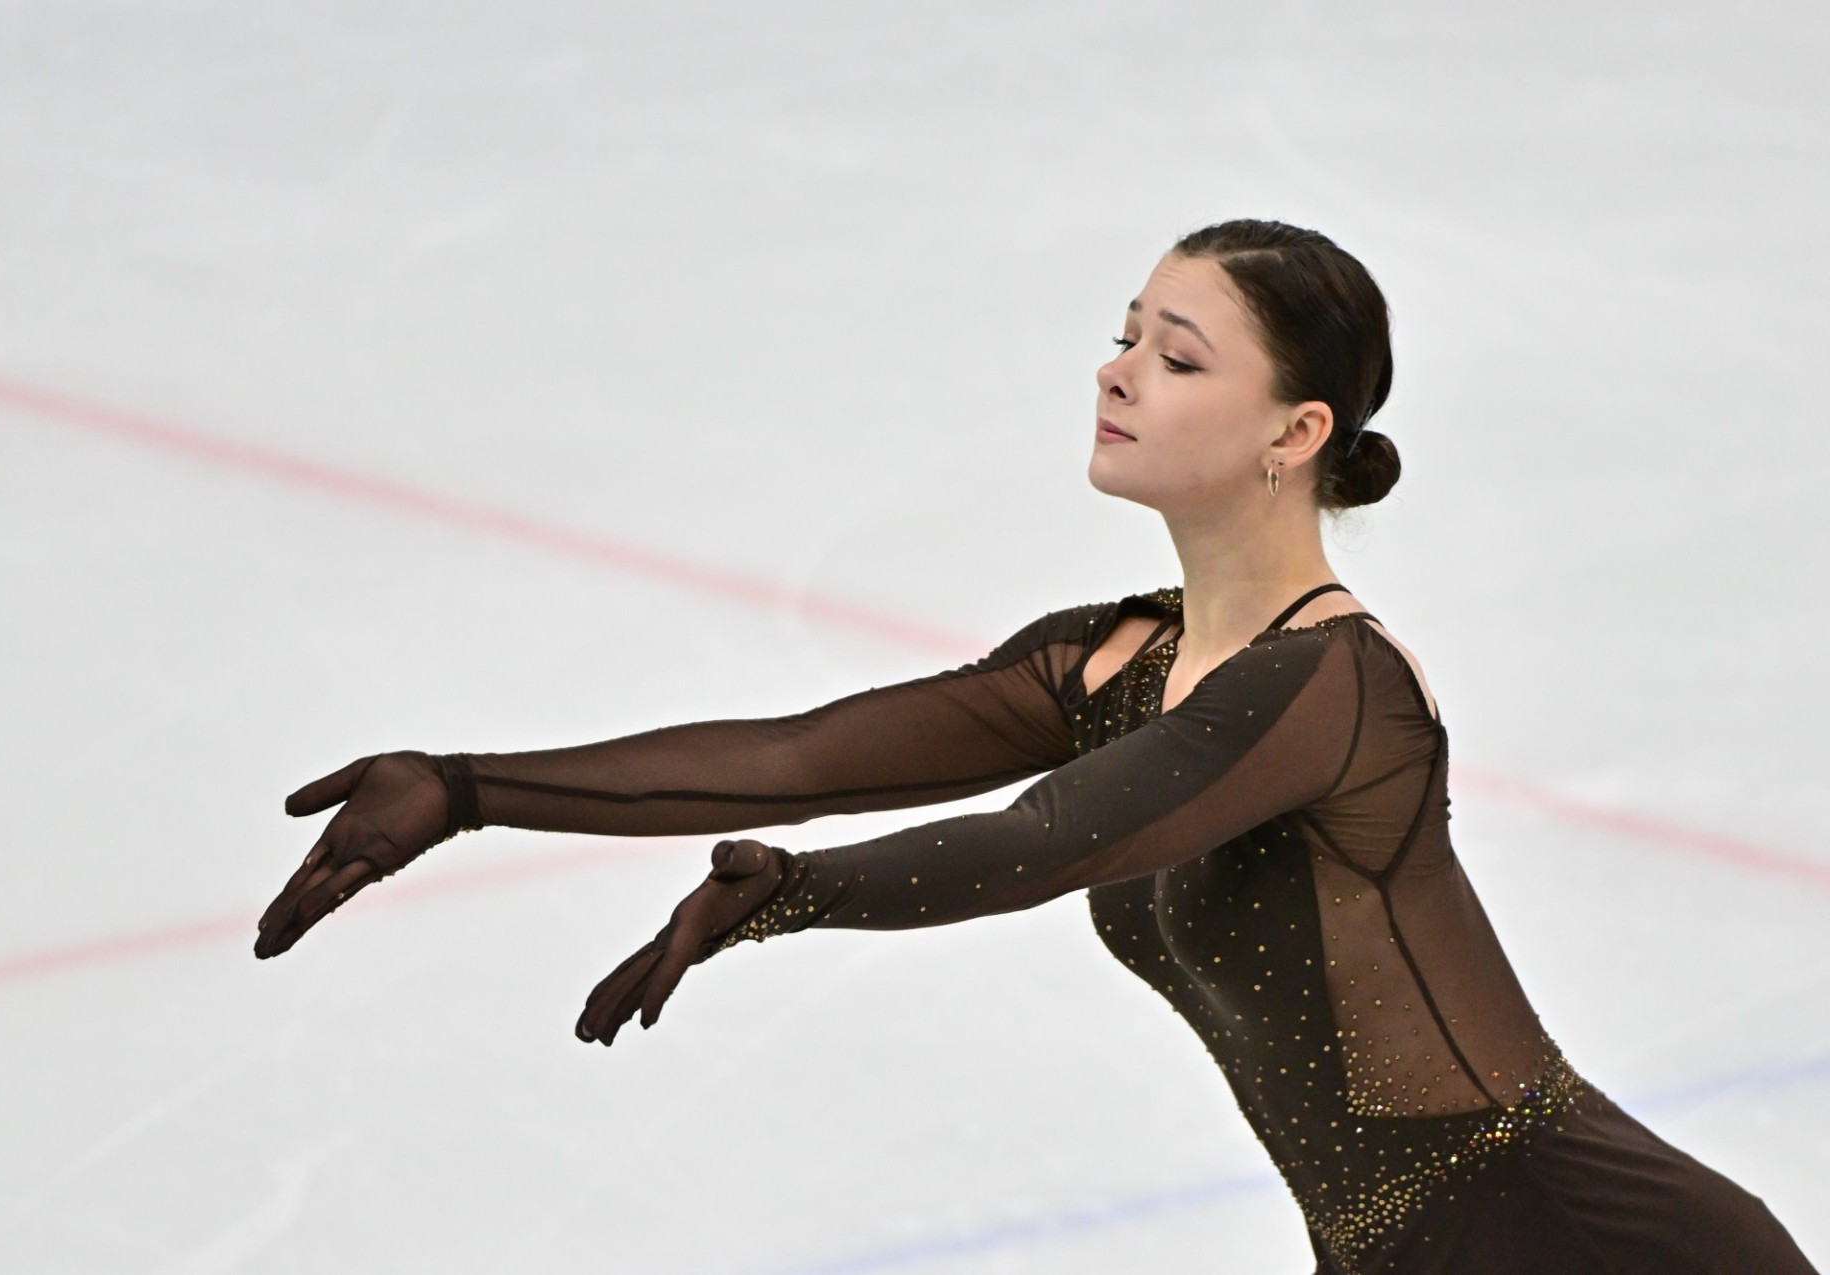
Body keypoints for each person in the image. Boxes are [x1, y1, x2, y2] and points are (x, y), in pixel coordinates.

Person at [253, 220, 1816, 1273]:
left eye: (1180, 358)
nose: (1118, 371)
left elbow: (1044, 841)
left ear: (1297, 436)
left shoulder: (1333, 691)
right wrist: (466, 790)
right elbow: (805, 755)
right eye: (1125, 336)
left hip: (1584, 1240)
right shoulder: (1121, 658)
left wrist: (792, 894)